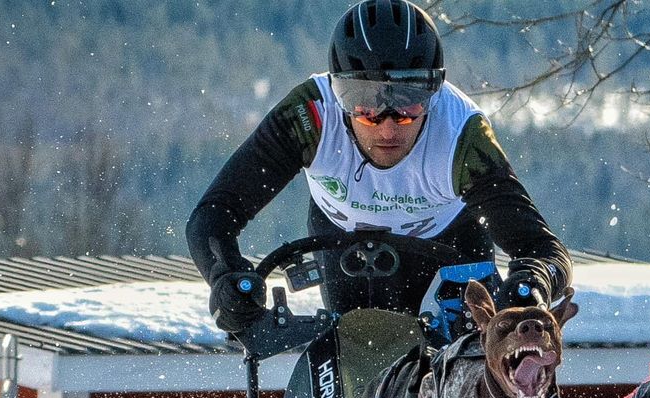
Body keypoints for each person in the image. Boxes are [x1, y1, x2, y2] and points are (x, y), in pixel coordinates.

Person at [187, 0, 571, 334]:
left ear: (434, 93)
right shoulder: (310, 117)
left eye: (409, 103)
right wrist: (225, 276)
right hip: (343, 241)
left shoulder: (461, 136)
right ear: (337, 93)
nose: (388, 125)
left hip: (450, 243)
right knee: (354, 371)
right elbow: (213, 215)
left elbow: (544, 250)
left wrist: (531, 282)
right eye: (365, 104)